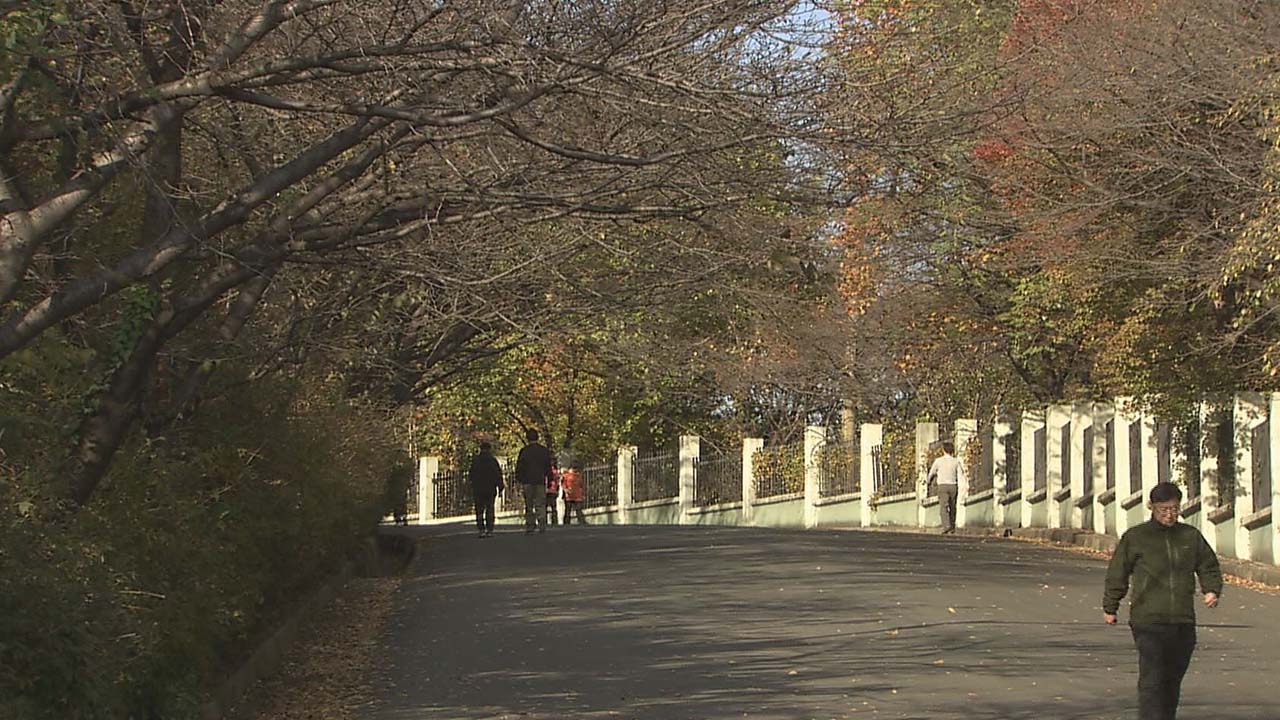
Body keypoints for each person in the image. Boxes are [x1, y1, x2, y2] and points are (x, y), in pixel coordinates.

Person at [1102, 482, 1222, 720]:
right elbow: (1118, 572)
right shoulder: (1137, 537)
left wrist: (1211, 590)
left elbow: (1208, 565)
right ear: (1151, 507)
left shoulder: (1190, 536)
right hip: (1148, 620)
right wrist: (1110, 606)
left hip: (1182, 620)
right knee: (1153, 677)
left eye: (1174, 509)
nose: (1169, 515)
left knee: (1172, 677)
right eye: (1164, 509)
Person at [514, 428, 552, 534]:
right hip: (540, 480)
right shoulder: (544, 451)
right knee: (540, 503)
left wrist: (519, 479)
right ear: (537, 437)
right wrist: (549, 479)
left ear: (527, 438)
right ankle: (542, 523)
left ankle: (530, 525)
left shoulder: (524, 451)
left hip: (527, 481)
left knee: (529, 504)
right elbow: (548, 466)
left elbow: (520, 467)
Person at [468, 441, 504, 538]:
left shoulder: (476, 461)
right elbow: (498, 474)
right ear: (489, 449)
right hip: (490, 488)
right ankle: (490, 529)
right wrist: (500, 487)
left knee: (479, 509)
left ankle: (481, 529)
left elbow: (471, 475)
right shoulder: (493, 461)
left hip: (478, 488)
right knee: (490, 508)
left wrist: (473, 485)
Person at [926, 440, 961, 534]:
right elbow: (960, 474)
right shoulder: (956, 461)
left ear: (943, 450)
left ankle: (946, 526)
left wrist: (928, 481)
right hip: (953, 485)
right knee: (953, 506)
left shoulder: (938, 461)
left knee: (943, 506)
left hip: (942, 486)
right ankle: (952, 526)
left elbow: (932, 472)